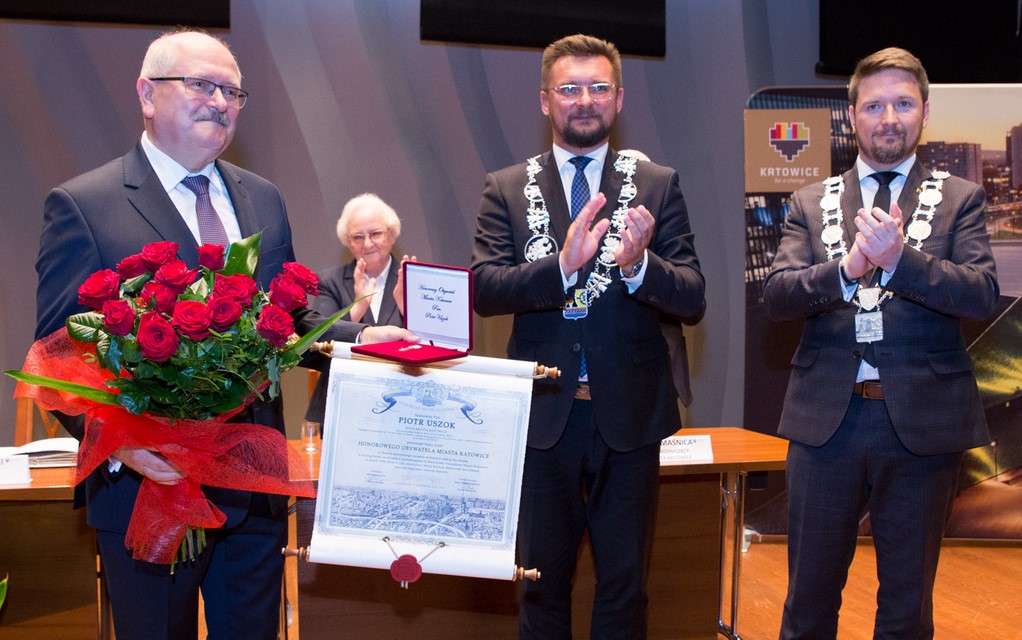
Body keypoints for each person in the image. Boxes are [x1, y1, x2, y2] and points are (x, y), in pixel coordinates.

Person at [34, 30, 412, 640]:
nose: (220, 102)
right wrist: (121, 442)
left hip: (252, 483)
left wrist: (370, 338)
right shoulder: (85, 204)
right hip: (148, 486)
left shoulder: (261, 198)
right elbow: (57, 351)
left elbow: (289, 318)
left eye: (233, 92)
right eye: (201, 85)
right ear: (146, 95)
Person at [470, 34, 705, 638]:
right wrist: (564, 268)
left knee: (625, 588)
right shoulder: (504, 185)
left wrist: (638, 267)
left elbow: (693, 296)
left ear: (619, 99)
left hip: (630, 416)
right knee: (541, 585)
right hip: (545, 418)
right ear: (545, 101)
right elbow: (486, 288)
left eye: (599, 88)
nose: (585, 101)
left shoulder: (658, 183)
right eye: (569, 89)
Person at [763, 47, 998, 639]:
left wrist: (900, 262)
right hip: (826, 426)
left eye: (902, 103)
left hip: (921, 426)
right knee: (808, 601)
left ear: (924, 111)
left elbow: (981, 295)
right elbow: (780, 296)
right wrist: (849, 268)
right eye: (873, 105)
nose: (888, 117)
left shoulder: (961, 197)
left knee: (905, 605)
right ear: (852, 113)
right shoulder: (810, 203)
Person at [305, 192, 414, 424]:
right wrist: (357, 307)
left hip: (403, 401)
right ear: (348, 241)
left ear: (392, 234)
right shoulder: (329, 281)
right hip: (342, 403)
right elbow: (315, 340)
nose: (368, 244)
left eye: (375, 234)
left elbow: (437, 345)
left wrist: (408, 310)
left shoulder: (413, 278)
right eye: (358, 237)